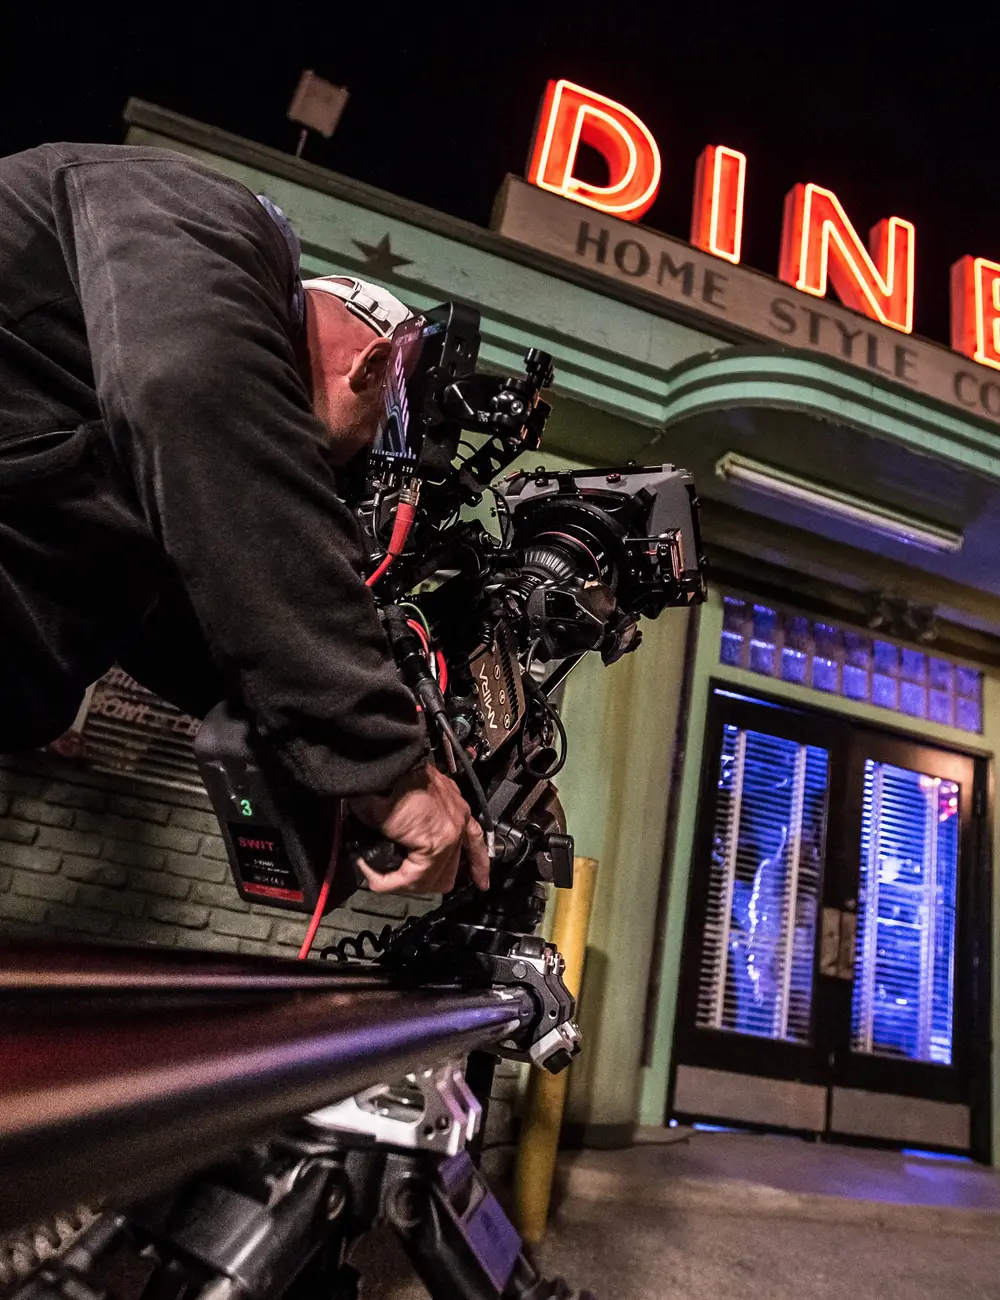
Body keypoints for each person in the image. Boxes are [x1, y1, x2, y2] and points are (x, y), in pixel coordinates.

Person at [0, 142, 489, 897]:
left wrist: (378, 760)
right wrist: (381, 759)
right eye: (352, 458)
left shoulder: (145, 444)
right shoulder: (216, 219)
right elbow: (195, 393)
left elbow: (191, 620)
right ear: (369, 365)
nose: (335, 478)